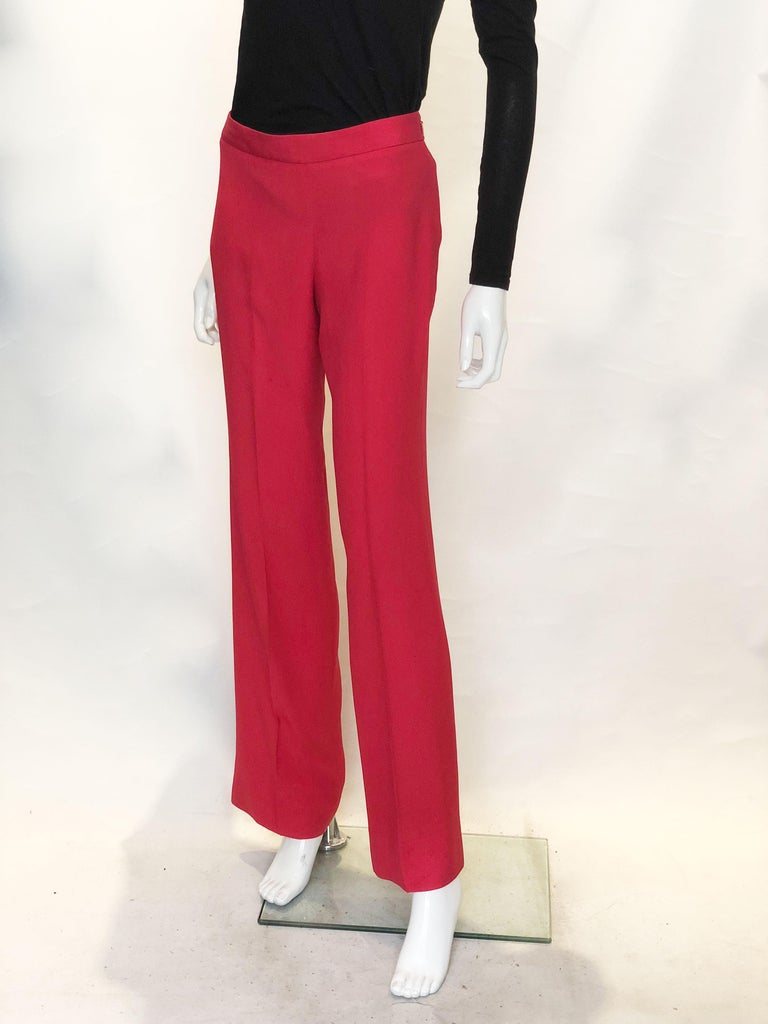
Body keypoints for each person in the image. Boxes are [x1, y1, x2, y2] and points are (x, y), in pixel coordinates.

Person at [192, 0, 538, 999]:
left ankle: (430, 863)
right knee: (272, 518)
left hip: (376, 192)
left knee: (386, 530)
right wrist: (221, 223)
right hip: (251, 180)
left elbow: (511, 58)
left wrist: (491, 273)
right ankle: (300, 801)